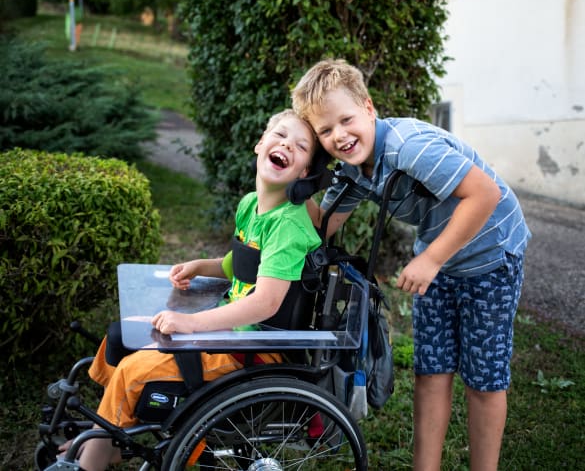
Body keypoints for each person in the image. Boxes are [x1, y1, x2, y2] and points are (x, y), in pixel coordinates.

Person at [291, 59, 531, 471]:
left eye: (346, 120)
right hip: (438, 253)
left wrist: (431, 259)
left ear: (369, 108)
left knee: (483, 379)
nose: (340, 136)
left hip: (491, 252)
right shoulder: (354, 168)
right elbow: (321, 228)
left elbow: (485, 195)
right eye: (325, 131)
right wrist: (293, 177)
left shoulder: (408, 147)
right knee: (431, 370)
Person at [63, 109, 326, 471]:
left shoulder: (288, 227)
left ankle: (89, 462)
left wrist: (192, 323)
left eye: (299, 146)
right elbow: (243, 265)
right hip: (228, 334)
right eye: (279, 136)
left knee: (131, 371)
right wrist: (203, 267)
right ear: (260, 144)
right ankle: (109, 437)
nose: (285, 145)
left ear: (304, 173)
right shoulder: (253, 205)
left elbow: (265, 302)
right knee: (119, 337)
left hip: (250, 349)